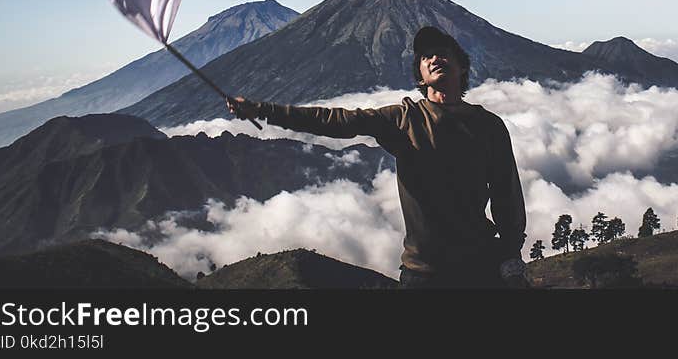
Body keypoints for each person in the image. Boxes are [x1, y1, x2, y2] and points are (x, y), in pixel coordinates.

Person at [226, 25, 529, 288]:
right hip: (424, 273)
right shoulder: (404, 119)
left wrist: (512, 255)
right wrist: (264, 110)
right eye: (426, 56)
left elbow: (507, 194)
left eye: (443, 52)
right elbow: (337, 120)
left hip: (480, 265)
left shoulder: (489, 126)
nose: (435, 58)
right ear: (420, 78)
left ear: (462, 67)